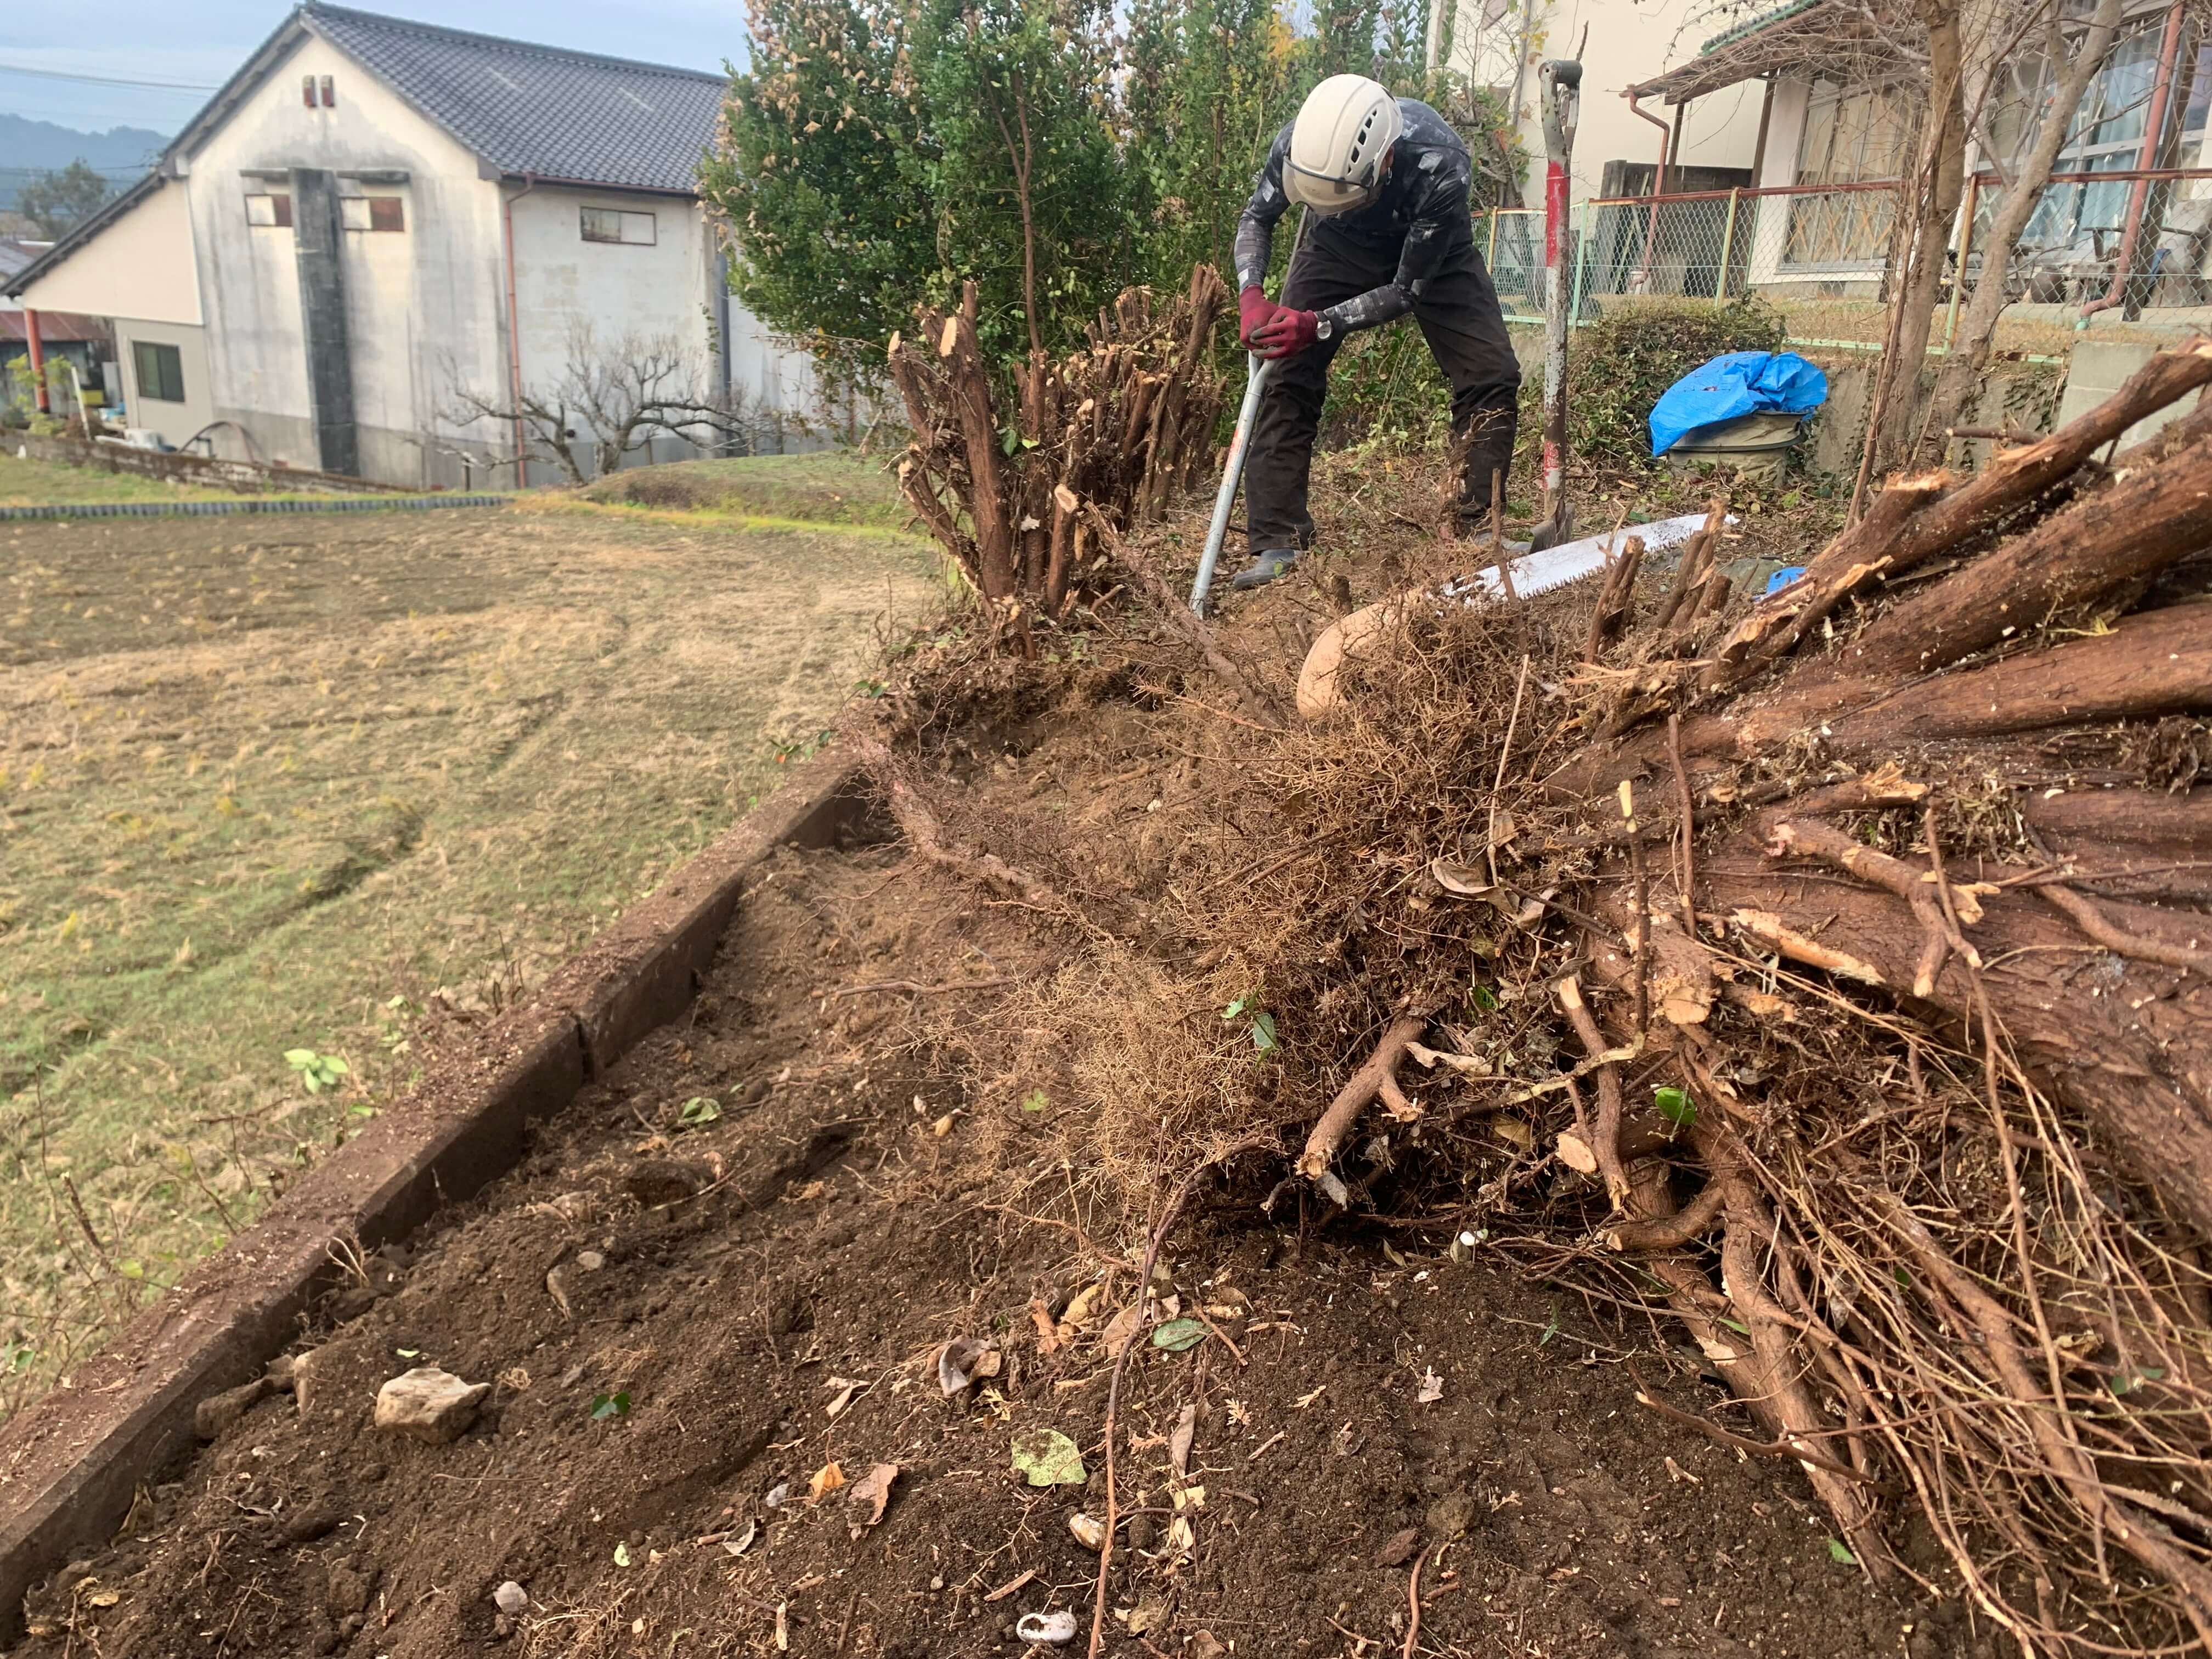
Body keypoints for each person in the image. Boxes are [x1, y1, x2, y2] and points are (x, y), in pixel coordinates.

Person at [1228, 73, 1521, 591]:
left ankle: (1473, 530)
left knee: (1491, 374)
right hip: (1335, 243)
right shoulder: (1301, 142)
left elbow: (1407, 291)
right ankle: (1278, 540)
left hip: (1434, 250)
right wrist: (1251, 292)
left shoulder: (1440, 163)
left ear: (1385, 160)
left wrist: (1318, 324)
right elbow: (1258, 215)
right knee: (1285, 373)